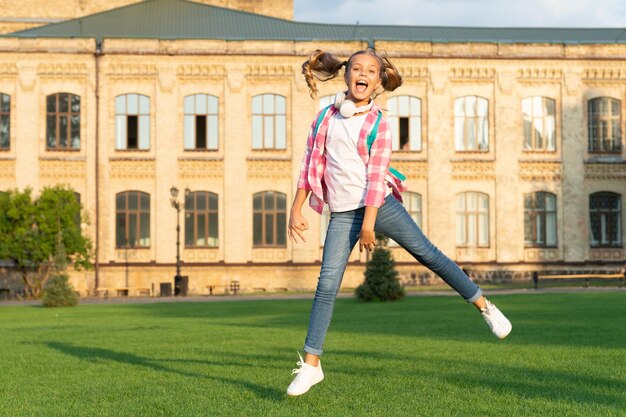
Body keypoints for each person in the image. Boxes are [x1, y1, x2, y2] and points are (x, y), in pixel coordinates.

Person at [286, 48, 512, 397]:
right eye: (356, 68)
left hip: (380, 206)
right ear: (346, 75)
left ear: (378, 82)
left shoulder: (379, 123)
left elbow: (376, 179)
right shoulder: (325, 116)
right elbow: (310, 163)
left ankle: (484, 305)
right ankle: (312, 366)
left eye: (371, 71)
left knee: (428, 254)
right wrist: (297, 208)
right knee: (326, 286)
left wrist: (369, 224)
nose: (363, 74)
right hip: (343, 213)